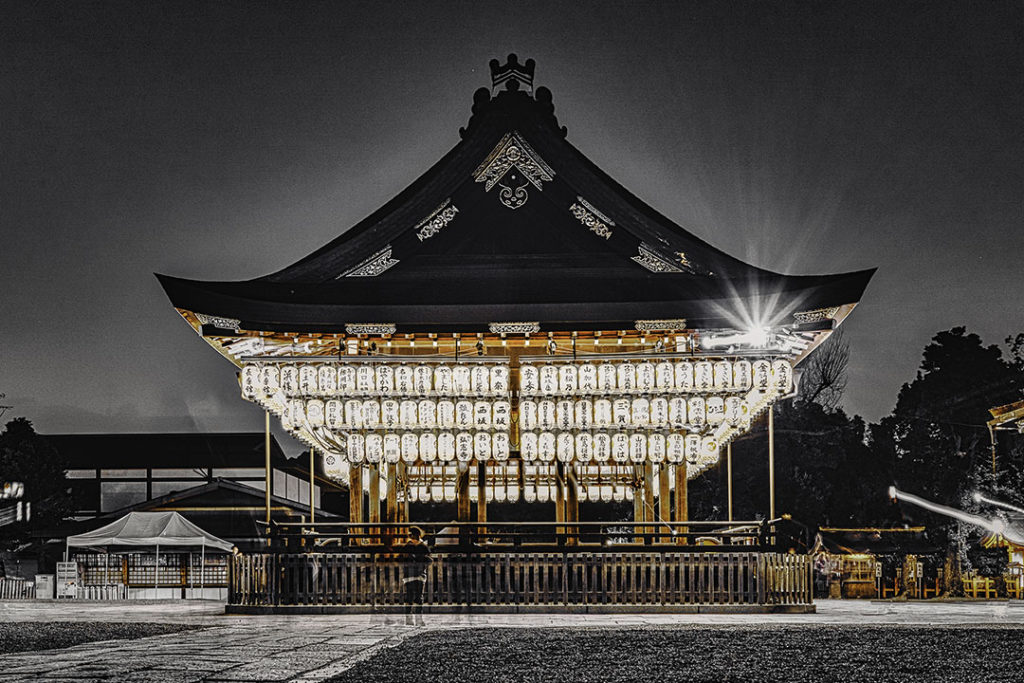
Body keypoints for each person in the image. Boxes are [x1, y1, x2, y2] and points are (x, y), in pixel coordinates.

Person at [401, 526, 432, 625]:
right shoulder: (423, 547)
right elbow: (429, 560)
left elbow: (403, 560)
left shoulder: (407, 547)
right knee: (419, 597)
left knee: (409, 596)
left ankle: (409, 619)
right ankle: (418, 619)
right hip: (420, 574)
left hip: (409, 574)